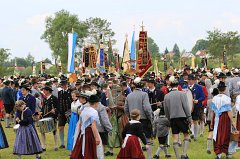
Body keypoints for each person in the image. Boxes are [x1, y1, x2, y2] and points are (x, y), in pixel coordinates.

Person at [124, 77, 153, 159]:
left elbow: (125, 108)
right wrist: (150, 118)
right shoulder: (144, 95)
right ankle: (149, 157)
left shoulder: (129, 95)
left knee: (135, 140)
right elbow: (147, 108)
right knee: (147, 139)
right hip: (143, 119)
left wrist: (130, 116)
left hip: (132, 120)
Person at [164, 76, 192, 159]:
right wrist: (189, 118)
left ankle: (177, 157)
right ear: (177, 85)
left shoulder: (166, 96)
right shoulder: (182, 94)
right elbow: (186, 107)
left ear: (170, 86)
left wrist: (169, 119)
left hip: (173, 118)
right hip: (182, 117)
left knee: (175, 137)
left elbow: (166, 110)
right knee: (186, 135)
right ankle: (184, 154)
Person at [70, 95, 101, 159]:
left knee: (80, 149)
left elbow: (80, 124)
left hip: (82, 132)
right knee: (89, 150)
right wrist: (97, 137)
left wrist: (79, 134)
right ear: (95, 103)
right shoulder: (94, 112)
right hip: (89, 132)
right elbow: (93, 125)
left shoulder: (84, 110)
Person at [211, 81, 236, 159]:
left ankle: (218, 154)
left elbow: (213, 111)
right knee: (225, 134)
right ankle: (227, 152)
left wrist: (212, 121)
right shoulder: (227, 98)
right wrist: (232, 121)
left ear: (218, 89)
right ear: (225, 89)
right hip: (225, 118)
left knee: (217, 134)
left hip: (217, 117)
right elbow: (229, 111)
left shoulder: (214, 98)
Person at [40, 86, 59, 151]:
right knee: (42, 131)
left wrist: (55, 111)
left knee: (54, 131)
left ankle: (56, 145)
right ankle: (43, 146)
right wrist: (41, 113)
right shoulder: (45, 99)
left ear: (48, 91)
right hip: (44, 117)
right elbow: (43, 108)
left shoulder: (54, 98)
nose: (44, 92)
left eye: (44, 90)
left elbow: (58, 108)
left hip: (52, 117)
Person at [188, 74, 205, 141]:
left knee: (195, 121)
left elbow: (203, 96)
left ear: (193, 80)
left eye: (190, 80)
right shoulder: (185, 87)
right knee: (188, 121)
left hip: (196, 106)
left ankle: (195, 136)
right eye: (188, 80)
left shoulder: (199, 87)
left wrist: (198, 100)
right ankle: (190, 134)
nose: (189, 81)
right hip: (188, 107)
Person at [58, 79, 73, 148]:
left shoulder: (71, 91)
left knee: (72, 127)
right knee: (60, 127)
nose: (63, 86)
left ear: (67, 85)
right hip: (61, 112)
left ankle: (72, 141)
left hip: (70, 112)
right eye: (62, 85)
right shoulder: (60, 92)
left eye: (64, 85)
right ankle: (62, 143)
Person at [206, 88, 219, 154]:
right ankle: (216, 147)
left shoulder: (208, 101)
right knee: (217, 133)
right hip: (216, 118)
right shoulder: (219, 100)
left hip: (209, 118)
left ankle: (208, 147)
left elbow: (207, 110)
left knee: (211, 132)